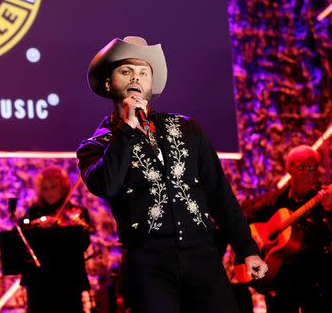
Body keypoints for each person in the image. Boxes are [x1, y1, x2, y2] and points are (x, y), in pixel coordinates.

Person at [76, 36, 267, 313]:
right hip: (148, 263)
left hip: (203, 256)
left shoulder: (187, 129)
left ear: (152, 84)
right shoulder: (97, 145)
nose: (136, 78)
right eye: (126, 71)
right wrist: (126, 131)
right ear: (109, 83)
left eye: (143, 72)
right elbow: (107, 185)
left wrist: (247, 248)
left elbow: (219, 192)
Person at [242, 145, 332, 312]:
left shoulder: (327, 200)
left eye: (311, 168)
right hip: (279, 282)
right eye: (301, 167)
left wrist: (330, 211)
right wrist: (251, 239)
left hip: (315, 281)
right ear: (289, 169)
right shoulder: (274, 201)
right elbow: (243, 214)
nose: (306, 172)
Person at [20, 166, 92, 313]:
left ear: (63, 187)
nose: (49, 192)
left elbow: (83, 243)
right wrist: (36, 226)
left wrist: (64, 224)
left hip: (68, 279)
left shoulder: (76, 213)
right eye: (45, 188)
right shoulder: (32, 213)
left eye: (53, 187)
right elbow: (22, 238)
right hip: (39, 281)